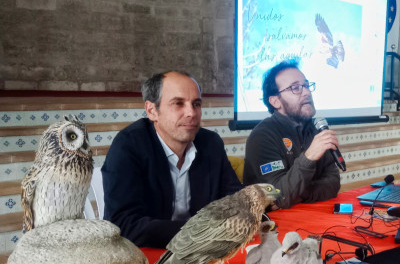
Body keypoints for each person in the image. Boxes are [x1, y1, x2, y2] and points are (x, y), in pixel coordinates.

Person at [102, 71, 243, 248]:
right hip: (147, 256)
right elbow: (124, 224)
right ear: (152, 111)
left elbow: (237, 200)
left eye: (196, 104)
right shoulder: (128, 146)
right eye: (178, 103)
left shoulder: (210, 143)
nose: (191, 113)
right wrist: (201, 231)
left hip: (202, 251)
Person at [243, 60, 341, 208]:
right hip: (272, 226)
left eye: (307, 86)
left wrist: (297, 195)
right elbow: (278, 197)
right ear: (275, 101)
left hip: (313, 217)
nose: (307, 92)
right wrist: (309, 157)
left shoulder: (315, 129)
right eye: (295, 88)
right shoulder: (262, 136)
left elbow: (333, 183)